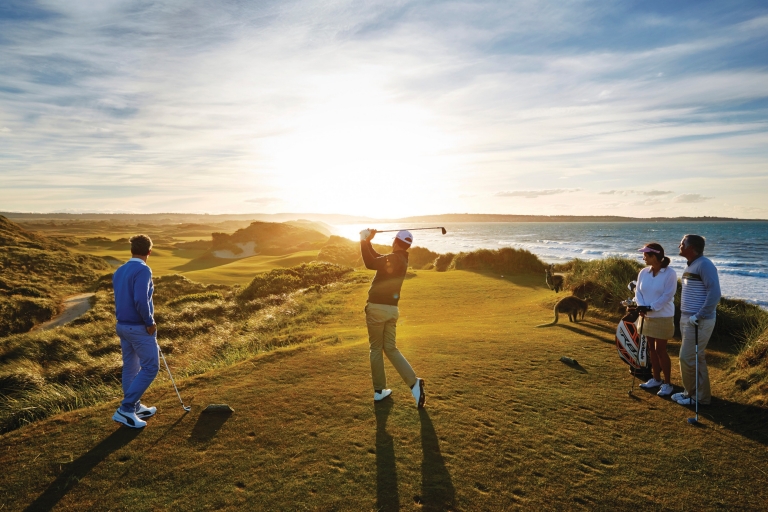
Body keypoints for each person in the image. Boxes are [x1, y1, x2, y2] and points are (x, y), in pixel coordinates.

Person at [360, 228, 425, 408]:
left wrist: (362, 240)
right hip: (392, 310)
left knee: (376, 349)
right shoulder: (401, 259)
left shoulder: (394, 258)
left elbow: (370, 262)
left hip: (377, 308)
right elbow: (377, 258)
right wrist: (368, 242)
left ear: (395, 242)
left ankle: (380, 391)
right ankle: (414, 384)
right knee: (390, 348)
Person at [111, 234, 159, 428]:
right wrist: (149, 322)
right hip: (138, 327)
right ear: (149, 251)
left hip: (122, 326)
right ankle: (126, 409)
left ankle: (135, 406)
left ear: (132, 250)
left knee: (131, 367)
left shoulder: (120, 270)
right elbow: (140, 300)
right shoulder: (143, 270)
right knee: (150, 367)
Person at [672, 234, 721, 406]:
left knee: (689, 358)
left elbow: (714, 293)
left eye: (682, 243)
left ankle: (699, 398)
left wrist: (698, 316)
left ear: (691, 247)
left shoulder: (705, 265)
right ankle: (690, 393)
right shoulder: (693, 264)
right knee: (692, 358)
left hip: (699, 320)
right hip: (688, 318)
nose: (679, 245)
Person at [635, 243, 677, 397]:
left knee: (660, 350)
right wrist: (641, 306)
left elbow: (668, 295)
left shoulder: (669, 273)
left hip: (662, 315)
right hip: (646, 315)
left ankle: (667, 383)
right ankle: (656, 378)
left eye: (646, 255)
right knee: (651, 349)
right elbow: (638, 291)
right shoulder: (643, 272)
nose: (643, 257)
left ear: (655, 256)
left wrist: (651, 307)